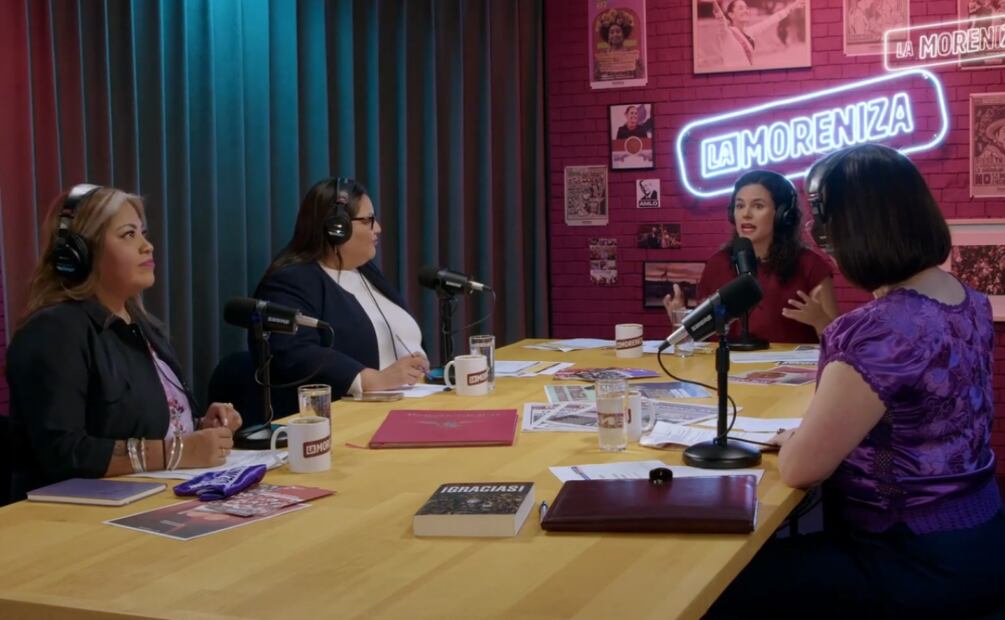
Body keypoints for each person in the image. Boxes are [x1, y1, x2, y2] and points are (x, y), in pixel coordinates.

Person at [706, 144, 1005, 618]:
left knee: (718, 586)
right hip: (984, 538)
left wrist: (801, 440)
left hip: (908, 557)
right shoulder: (970, 301)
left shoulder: (878, 330)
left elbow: (801, 469)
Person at [5, 186, 241, 500]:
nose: (148, 246)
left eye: (143, 233)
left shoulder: (140, 324)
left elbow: (136, 424)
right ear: (80, 254)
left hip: (154, 497)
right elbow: (64, 452)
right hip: (73, 522)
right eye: (128, 235)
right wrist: (179, 451)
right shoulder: (53, 331)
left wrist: (198, 427)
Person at [252, 177, 429, 416]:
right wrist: (370, 379)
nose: (378, 228)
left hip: (412, 404)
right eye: (368, 220)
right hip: (347, 417)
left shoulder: (366, 271)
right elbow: (293, 351)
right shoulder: (291, 281)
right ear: (337, 229)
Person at [663, 169, 837, 344]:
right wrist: (680, 324)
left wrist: (820, 321)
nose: (746, 214)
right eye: (740, 206)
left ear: (782, 215)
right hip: (725, 369)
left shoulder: (809, 265)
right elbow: (699, 342)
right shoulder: (718, 264)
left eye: (758, 206)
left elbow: (839, 344)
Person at [712, 0, 807, 67]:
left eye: (746, 8)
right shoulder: (726, 33)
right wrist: (714, 3)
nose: (745, 11)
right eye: (741, 8)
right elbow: (720, 18)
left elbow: (771, 20)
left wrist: (791, 7)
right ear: (731, 14)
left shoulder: (750, 31)